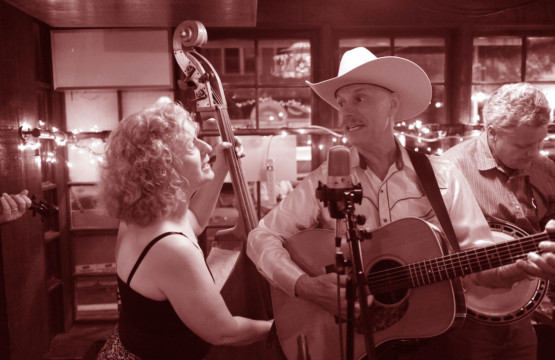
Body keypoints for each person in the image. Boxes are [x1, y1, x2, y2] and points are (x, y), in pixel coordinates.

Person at [246, 47, 555, 360]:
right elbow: (260, 237)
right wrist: (303, 285)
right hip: (353, 343)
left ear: (393, 103)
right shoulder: (326, 179)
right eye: (341, 102)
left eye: (359, 98)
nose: (346, 112)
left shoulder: (441, 174)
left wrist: (521, 269)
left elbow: (475, 264)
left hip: (431, 344)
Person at [96, 100, 272, 360]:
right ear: (164, 166)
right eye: (192, 144)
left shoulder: (142, 218)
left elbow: (195, 221)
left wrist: (221, 166)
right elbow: (224, 332)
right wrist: (282, 325)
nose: (205, 147)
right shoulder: (171, 249)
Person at [441, 82, 555, 360]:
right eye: (523, 145)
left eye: (541, 141)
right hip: (469, 319)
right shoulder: (449, 171)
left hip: (526, 314)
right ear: (491, 133)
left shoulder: (546, 168)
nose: (535, 152)